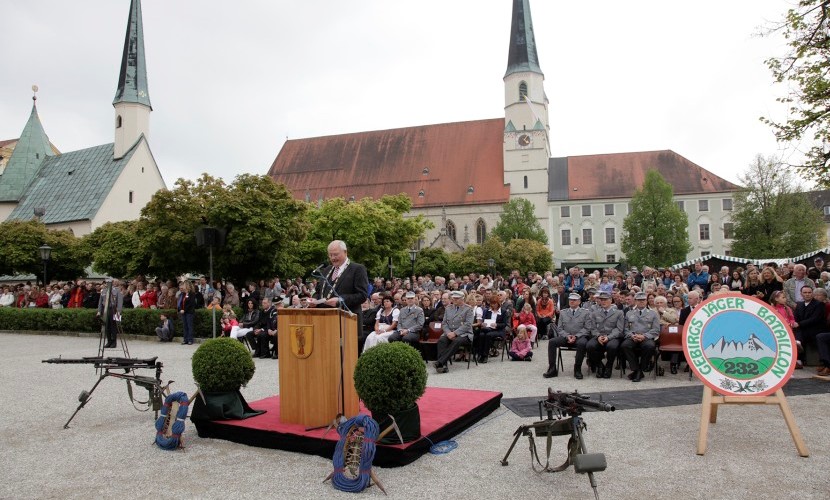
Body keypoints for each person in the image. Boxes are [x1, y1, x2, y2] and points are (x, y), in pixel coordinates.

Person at [311, 240, 370, 315]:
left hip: (347, 319)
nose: (333, 258)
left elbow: (362, 295)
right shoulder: (327, 270)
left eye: (335, 254)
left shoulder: (357, 269)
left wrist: (340, 300)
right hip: (324, 317)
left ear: (345, 252)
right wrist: (314, 299)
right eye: (330, 255)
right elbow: (318, 291)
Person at [544, 293, 591, 379]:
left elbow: (587, 328)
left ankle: (577, 368)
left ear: (579, 302)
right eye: (570, 300)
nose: (572, 301)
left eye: (574, 300)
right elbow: (560, 328)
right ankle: (552, 368)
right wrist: (567, 336)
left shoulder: (585, 313)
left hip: (579, 337)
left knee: (582, 343)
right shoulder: (563, 312)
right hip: (566, 337)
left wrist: (576, 336)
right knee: (552, 342)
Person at [621, 291, 660, 382]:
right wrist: (632, 335)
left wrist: (644, 336)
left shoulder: (653, 313)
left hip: (646, 337)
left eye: (643, 300)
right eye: (639, 300)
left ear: (646, 301)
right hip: (633, 336)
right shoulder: (629, 313)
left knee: (650, 346)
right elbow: (625, 329)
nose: (641, 302)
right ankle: (637, 370)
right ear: (635, 301)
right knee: (625, 345)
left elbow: (656, 330)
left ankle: (640, 369)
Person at [585, 290, 624, 378]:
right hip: (599, 335)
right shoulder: (595, 313)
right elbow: (593, 328)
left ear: (611, 300)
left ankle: (608, 366)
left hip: (613, 336)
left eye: (605, 299)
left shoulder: (618, 313)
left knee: (612, 346)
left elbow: (619, 329)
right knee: (590, 346)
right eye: (601, 300)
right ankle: (599, 365)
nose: (603, 302)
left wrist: (609, 337)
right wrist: (598, 336)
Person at [434, 291, 474, 373]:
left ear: (462, 299)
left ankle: (440, 362)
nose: (454, 300)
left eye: (457, 298)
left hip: (464, 334)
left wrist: (455, 333)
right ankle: (443, 365)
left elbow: (468, 325)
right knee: (442, 340)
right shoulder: (448, 308)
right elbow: (444, 323)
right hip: (449, 333)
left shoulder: (468, 309)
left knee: (457, 341)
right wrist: (448, 332)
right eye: (453, 298)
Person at [794, 285, 824, 369]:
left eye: (809, 292)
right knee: (795, 332)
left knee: (800, 333)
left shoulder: (819, 304)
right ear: (801, 294)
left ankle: (799, 359)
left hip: (815, 329)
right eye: (805, 292)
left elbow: (815, 319)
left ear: (812, 293)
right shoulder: (799, 304)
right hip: (802, 329)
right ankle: (797, 356)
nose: (807, 294)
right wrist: (795, 323)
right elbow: (795, 317)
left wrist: (799, 324)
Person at [97, 280, 124, 349]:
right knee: (106, 326)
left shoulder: (118, 290)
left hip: (113, 309)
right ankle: (109, 341)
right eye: (106, 282)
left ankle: (114, 342)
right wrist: (99, 311)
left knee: (113, 326)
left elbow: (120, 302)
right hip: (105, 309)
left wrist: (118, 311)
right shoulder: (103, 291)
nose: (106, 284)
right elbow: (100, 302)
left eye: (109, 282)